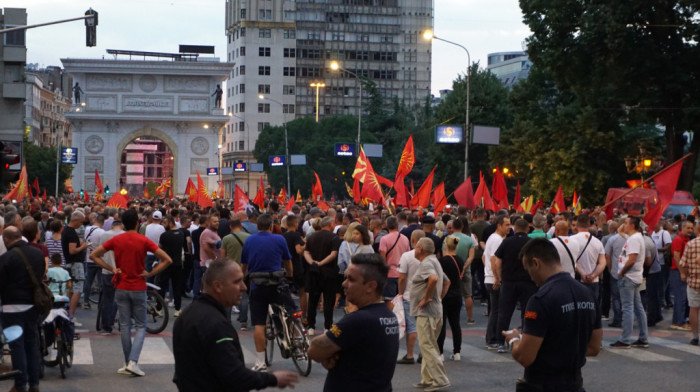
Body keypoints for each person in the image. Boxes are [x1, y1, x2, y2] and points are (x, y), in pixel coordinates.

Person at [173, 258, 298, 391]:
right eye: (237, 282)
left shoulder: (187, 315)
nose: (244, 287)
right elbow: (235, 376)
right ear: (218, 286)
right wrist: (273, 379)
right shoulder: (216, 324)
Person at [502, 238, 601, 392]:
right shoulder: (587, 293)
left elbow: (525, 357)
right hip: (574, 383)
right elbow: (594, 347)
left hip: (544, 383)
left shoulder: (540, 299)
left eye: (528, 269)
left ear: (536, 263)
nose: (530, 276)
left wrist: (514, 339)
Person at [90, 209, 173, 376]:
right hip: (138, 286)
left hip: (121, 285)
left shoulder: (117, 239)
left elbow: (94, 255)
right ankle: (133, 361)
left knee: (125, 325)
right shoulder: (143, 240)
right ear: (137, 223)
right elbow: (167, 259)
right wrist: (150, 273)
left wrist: (112, 269)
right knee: (141, 325)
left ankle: (128, 361)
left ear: (122, 223)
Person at [308, 253, 399, 392]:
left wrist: (331, 353)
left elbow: (314, 350)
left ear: (370, 286)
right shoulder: (388, 315)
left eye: (351, 279)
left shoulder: (358, 320)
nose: (344, 284)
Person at [240, 214, 294, 372]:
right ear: (271, 226)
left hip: (258, 285)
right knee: (289, 311)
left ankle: (260, 362)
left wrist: (242, 279)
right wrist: (290, 276)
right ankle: (290, 338)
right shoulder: (280, 239)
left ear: (257, 226)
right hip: (277, 283)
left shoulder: (249, 240)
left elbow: (244, 264)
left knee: (259, 323)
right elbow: (288, 261)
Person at [0, 226, 46, 392]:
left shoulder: (6, 258)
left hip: (12, 308)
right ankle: (34, 384)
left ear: (6, 240)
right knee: (31, 344)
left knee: (17, 347)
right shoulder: (38, 254)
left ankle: (20, 384)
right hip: (33, 306)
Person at [410, 237, 451, 392]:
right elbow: (446, 282)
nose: (414, 249)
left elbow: (433, 279)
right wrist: (438, 298)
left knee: (427, 345)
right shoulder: (435, 261)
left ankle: (440, 380)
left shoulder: (427, 263)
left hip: (427, 312)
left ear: (420, 248)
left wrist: (427, 298)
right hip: (434, 310)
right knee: (429, 345)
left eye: (415, 247)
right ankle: (428, 378)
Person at [494, 218, 538, 353]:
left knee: (504, 313)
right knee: (527, 312)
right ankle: (526, 340)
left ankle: (500, 342)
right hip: (528, 282)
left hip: (509, 282)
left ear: (514, 228)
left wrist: (500, 278)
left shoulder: (506, 242)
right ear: (527, 229)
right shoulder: (531, 243)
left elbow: (497, 262)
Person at [610, 216, 649, 348]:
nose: (624, 225)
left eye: (626, 223)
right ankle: (643, 337)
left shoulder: (634, 239)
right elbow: (621, 232)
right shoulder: (635, 237)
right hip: (634, 277)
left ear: (632, 226)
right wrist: (623, 226)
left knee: (627, 308)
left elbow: (632, 259)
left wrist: (622, 273)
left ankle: (625, 339)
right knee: (638, 308)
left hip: (629, 277)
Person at [304, 216, 342, 336]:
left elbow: (306, 251)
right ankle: (327, 326)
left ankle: (311, 326)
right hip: (329, 272)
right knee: (328, 300)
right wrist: (322, 262)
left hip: (314, 272)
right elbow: (334, 254)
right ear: (330, 224)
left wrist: (312, 262)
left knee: (313, 300)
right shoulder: (334, 238)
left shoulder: (312, 236)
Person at [396, 229, 425, 364]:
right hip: (426, 295)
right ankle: (423, 353)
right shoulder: (430, 257)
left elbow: (402, 277)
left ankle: (410, 354)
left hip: (409, 294)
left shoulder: (407, 256)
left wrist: (400, 292)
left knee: (411, 327)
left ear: (412, 240)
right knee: (424, 326)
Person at [484, 215, 511, 349]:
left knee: (494, 310)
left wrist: (488, 272)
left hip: (489, 277)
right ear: (499, 225)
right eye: (506, 224)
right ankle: (491, 339)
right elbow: (494, 260)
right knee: (496, 311)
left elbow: (485, 257)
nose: (509, 227)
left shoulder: (493, 238)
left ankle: (491, 338)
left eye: (509, 224)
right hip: (493, 279)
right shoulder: (497, 239)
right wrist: (496, 277)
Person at [437, 235, 465, 361]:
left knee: (441, 324)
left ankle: (440, 352)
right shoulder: (460, 260)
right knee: (455, 324)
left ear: (445, 246)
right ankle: (457, 351)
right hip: (457, 293)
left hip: (445, 294)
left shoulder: (442, 261)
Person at [221, 219, 252, 328]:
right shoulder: (249, 237)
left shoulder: (226, 238)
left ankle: (227, 321)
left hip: (230, 270)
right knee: (243, 296)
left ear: (231, 227)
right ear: (241, 226)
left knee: (228, 296)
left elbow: (222, 257)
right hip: (245, 269)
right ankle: (243, 322)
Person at [96, 220, 124, 335]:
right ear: (122, 227)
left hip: (107, 270)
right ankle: (123, 324)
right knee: (123, 299)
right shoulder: (125, 235)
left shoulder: (104, 235)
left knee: (108, 299)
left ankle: (107, 326)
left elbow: (99, 253)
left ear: (112, 226)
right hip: (122, 271)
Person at [62, 211, 90, 324]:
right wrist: (83, 246)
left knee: (70, 289)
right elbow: (72, 250)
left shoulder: (66, 231)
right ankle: (71, 315)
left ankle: (67, 314)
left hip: (69, 263)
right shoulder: (71, 232)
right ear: (76, 221)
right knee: (77, 289)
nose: (81, 225)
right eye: (81, 222)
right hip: (75, 263)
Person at [158, 215, 187, 317]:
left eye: (165, 223)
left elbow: (159, 249)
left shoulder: (164, 235)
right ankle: (177, 309)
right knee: (176, 287)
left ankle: (159, 309)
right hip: (177, 263)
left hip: (166, 263)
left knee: (162, 286)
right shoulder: (181, 234)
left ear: (170, 222)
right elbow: (182, 249)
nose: (163, 225)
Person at [379, 216, 411, 304]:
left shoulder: (384, 239)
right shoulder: (405, 239)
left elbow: (382, 258)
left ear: (386, 225)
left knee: (389, 300)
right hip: (403, 273)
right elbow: (408, 256)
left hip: (390, 274)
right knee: (401, 300)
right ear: (397, 225)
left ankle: (393, 317)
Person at [678, 221, 700, 345]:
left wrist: (685, 274)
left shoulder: (691, 244)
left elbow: (682, 263)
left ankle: (695, 336)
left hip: (693, 281)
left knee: (694, 309)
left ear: (697, 230)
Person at [670, 220, 693, 330]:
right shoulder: (678, 240)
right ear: (682, 228)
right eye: (688, 228)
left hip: (681, 271)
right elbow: (676, 256)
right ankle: (680, 322)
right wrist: (682, 272)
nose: (690, 230)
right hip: (677, 271)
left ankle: (676, 321)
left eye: (691, 228)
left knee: (682, 297)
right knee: (681, 298)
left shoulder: (686, 239)